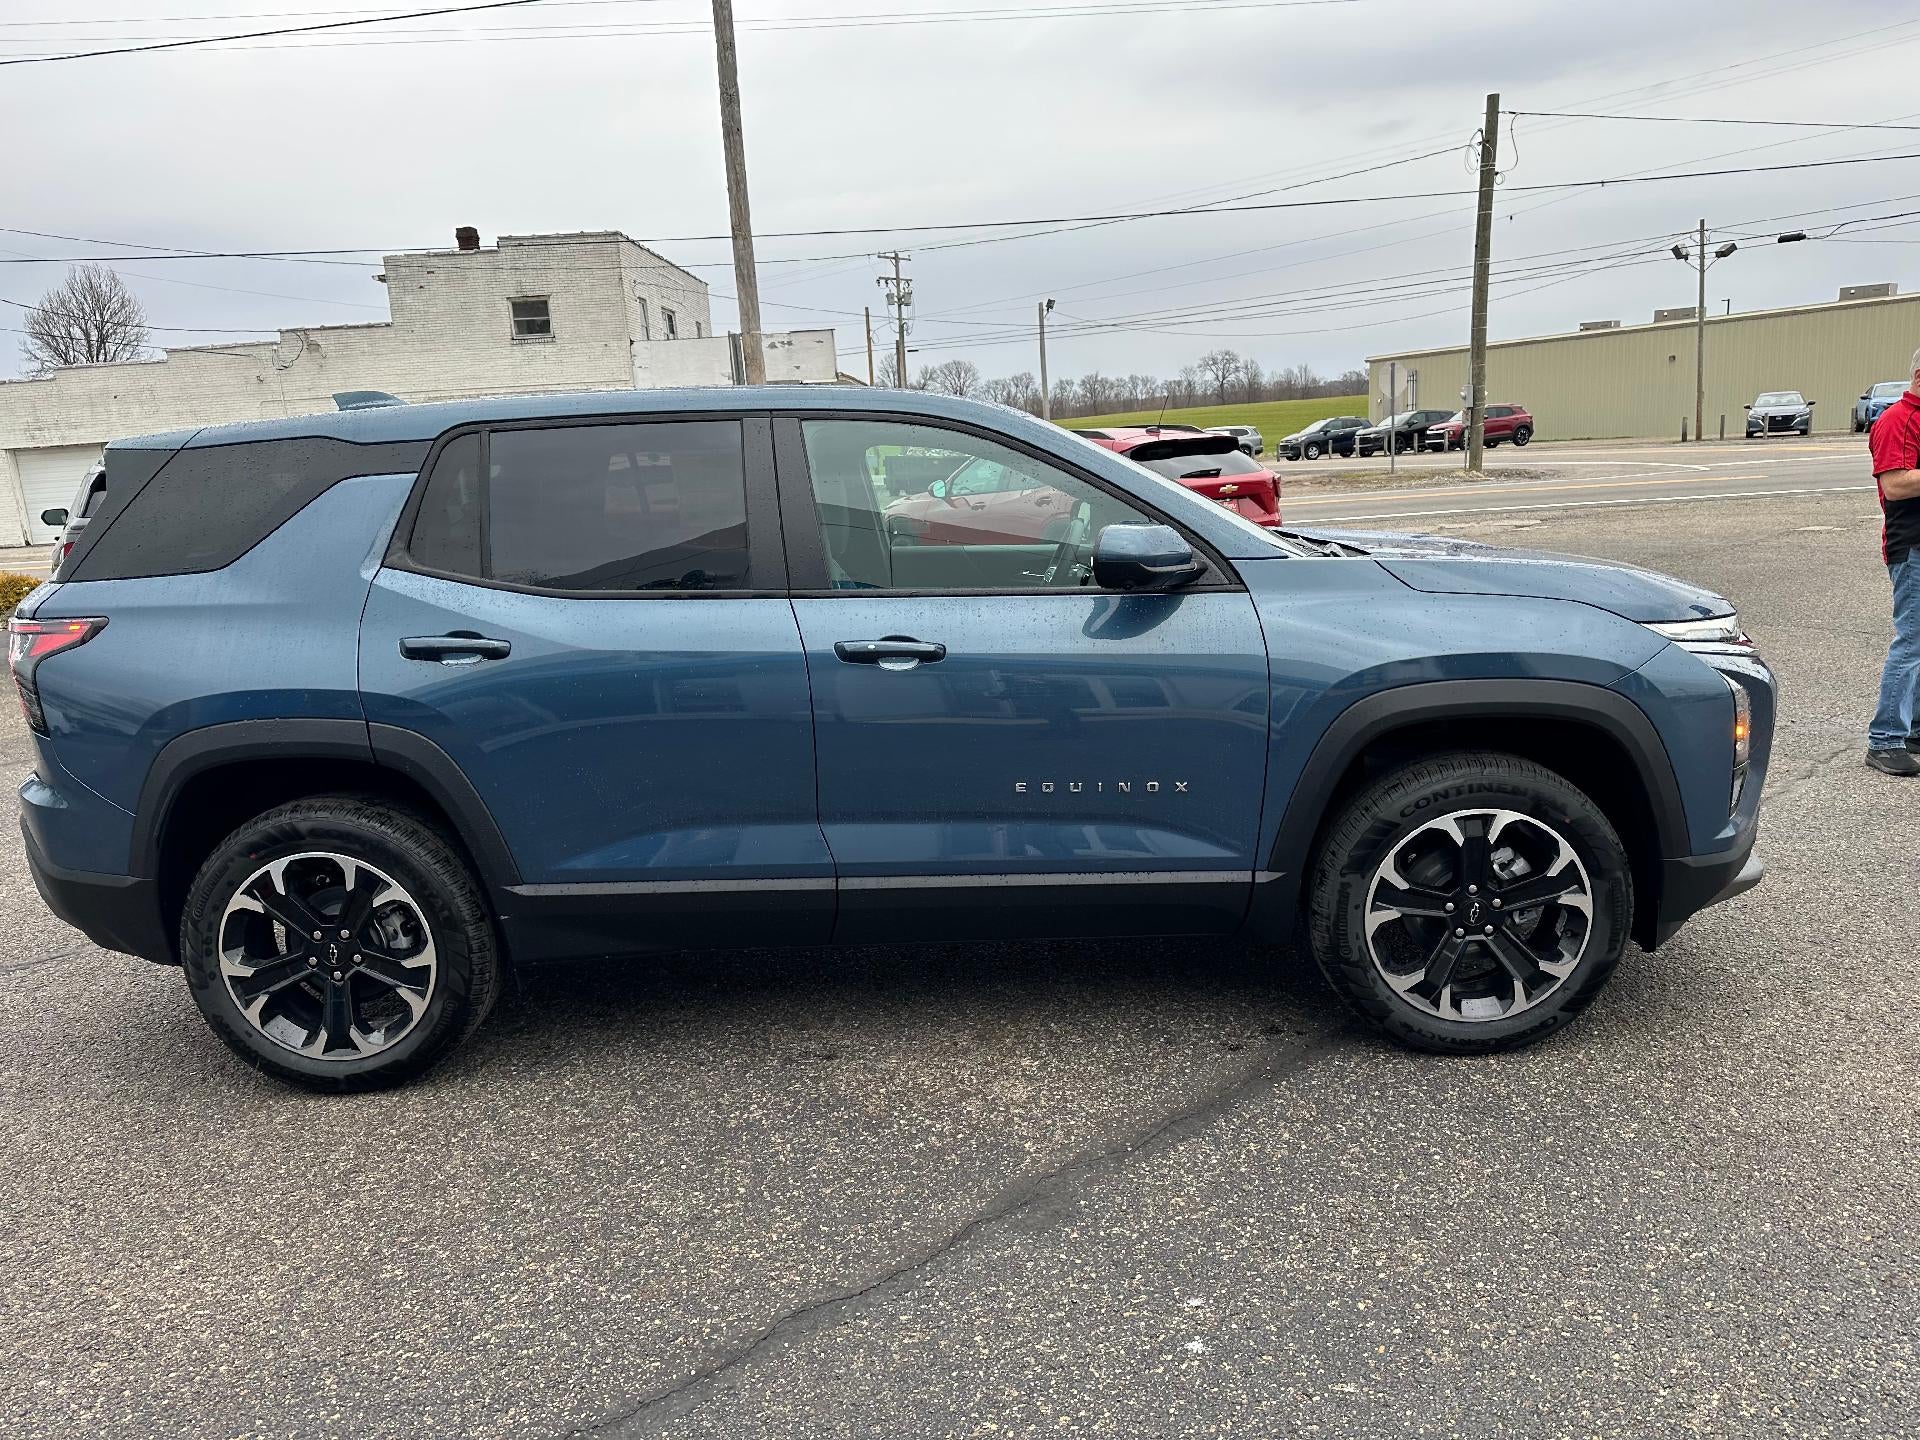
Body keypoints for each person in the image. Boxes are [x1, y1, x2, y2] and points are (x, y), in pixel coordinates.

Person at [1865, 346, 1920, 775]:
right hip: (1912, 547)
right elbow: (1897, 485)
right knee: (1912, 640)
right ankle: (1885, 739)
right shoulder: (1896, 420)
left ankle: (1914, 727)